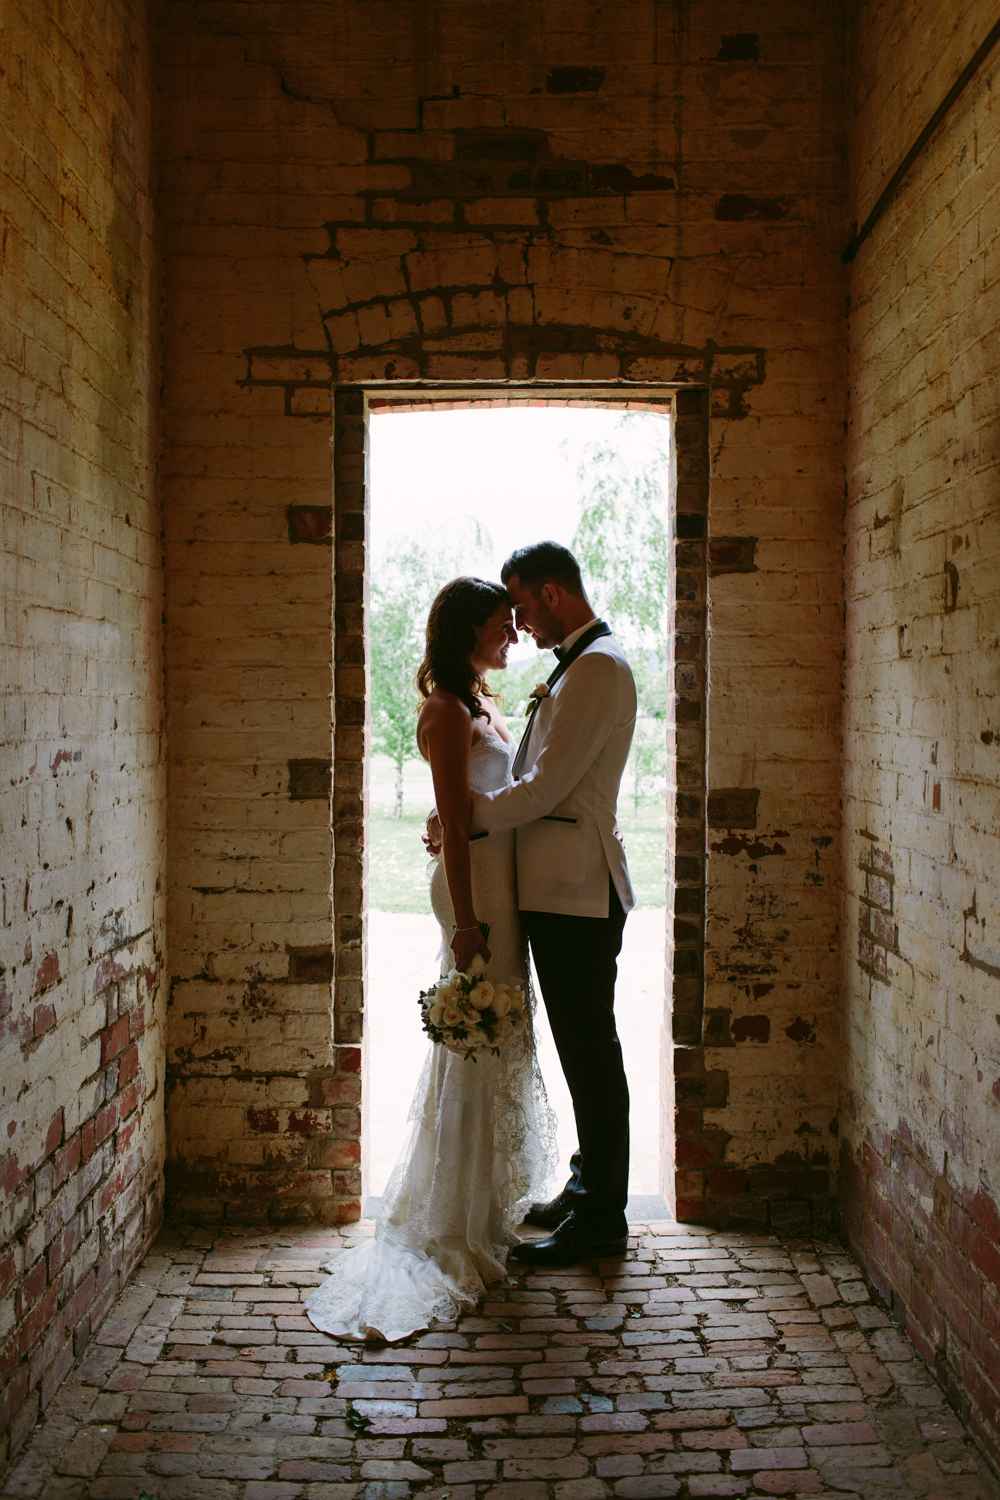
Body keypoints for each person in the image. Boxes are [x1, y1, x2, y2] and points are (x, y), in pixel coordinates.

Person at [304, 577, 555, 1343]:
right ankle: (452, 1219)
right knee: (475, 1040)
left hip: (501, 885)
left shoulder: (482, 706)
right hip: (474, 895)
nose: (510, 639)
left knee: (498, 1040)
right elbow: (453, 814)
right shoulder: (445, 712)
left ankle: (484, 1207)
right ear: (463, 635)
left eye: (514, 628)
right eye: (498, 628)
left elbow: (477, 800)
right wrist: (467, 924)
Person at [469, 541, 637, 1267]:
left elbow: (547, 789)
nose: (520, 624)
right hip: (555, 890)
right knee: (579, 1050)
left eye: (524, 608)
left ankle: (603, 1216)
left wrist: (466, 813)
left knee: (591, 1054)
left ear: (553, 593)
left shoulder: (598, 669)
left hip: (579, 893)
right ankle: (586, 1182)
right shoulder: (577, 665)